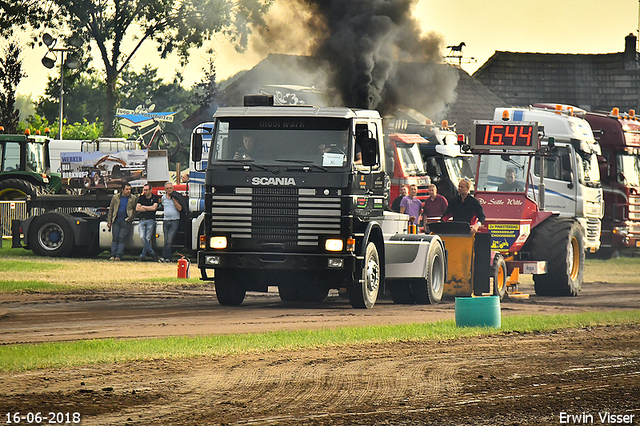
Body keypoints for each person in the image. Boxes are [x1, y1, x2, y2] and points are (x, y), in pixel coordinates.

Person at [107, 183, 136, 261]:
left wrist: (131, 218)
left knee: (121, 238)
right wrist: (109, 221)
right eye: (127, 189)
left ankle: (118, 256)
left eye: (129, 189)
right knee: (115, 238)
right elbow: (111, 209)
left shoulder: (133, 198)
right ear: (122, 189)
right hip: (116, 220)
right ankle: (112, 255)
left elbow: (135, 210)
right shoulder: (116, 197)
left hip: (126, 221)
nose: (128, 191)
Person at [159, 181, 187, 263]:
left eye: (170, 188)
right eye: (167, 188)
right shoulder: (163, 198)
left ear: (173, 188)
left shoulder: (177, 197)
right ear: (165, 189)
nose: (169, 190)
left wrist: (174, 199)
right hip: (166, 220)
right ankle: (167, 257)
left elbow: (180, 208)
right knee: (166, 240)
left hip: (175, 220)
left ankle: (164, 257)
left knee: (169, 240)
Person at [136, 183, 159, 262]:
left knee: (147, 239)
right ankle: (152, 253)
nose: (145, 191)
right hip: (142, 220)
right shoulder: (141, 198)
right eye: (144, 190)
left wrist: (144, 207)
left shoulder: (155, 198)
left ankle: (142, 256)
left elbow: (154, 208)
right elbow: (138, 208)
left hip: (151, 220)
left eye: (146, 190)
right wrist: (149, 207)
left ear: (150, 190)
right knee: (142, 237)